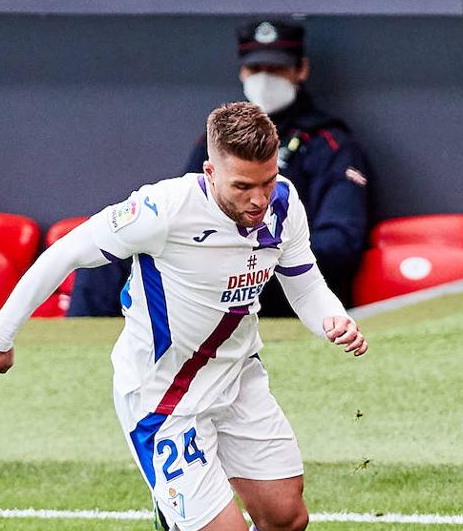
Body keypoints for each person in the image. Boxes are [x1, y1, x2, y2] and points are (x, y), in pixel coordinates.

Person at [0, 102, 368, 531]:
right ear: (210, 171)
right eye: (243, 185)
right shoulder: (162, 208)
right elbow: (65, 253)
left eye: (269, 180)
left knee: (286, 518)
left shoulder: (282, 203)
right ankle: (174, 518)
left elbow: (303, 281)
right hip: (162, 400)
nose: (259, 198)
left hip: (238, 380)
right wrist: (1, 335)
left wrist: (332, 320)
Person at [69, 19, 371, 316]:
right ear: (242, 71)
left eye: (277, 69)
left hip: (274, 274)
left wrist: (259, 250)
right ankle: (80, 348)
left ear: (300, 70)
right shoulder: (218, 139)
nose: (265, 79)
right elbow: (184, 207)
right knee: (111, 251)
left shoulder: (329, 143)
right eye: (256, 69)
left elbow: (341, 243)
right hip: (207, 261)